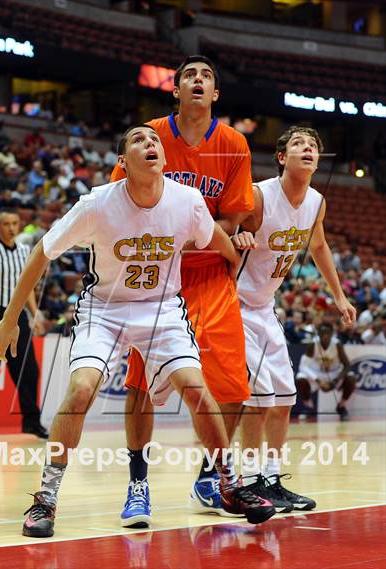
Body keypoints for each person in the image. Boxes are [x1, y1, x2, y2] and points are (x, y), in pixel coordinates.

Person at [0, 125, 275, 538]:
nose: (150, 143)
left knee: (196, 389)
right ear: (123, 163)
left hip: (162, 309)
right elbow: (42, 251)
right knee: (82, 389)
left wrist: (232, 268)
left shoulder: (186, 201)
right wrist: (10, 317)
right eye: (139, 140)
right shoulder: (98, 204)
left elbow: (216, 238)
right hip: (105, 308)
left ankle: (228, 485)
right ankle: (46, 498)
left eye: (154, 140)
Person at [110, 55, 254, 526]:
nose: (197, 80)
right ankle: (138, 485)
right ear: (175, 90)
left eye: (206, 76)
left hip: (210, 275)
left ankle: (211, 475)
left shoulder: (233, 144)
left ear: (215, 94)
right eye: (188, 75)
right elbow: (119, 199)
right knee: (141, 386)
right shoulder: (150, 135)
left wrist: (204, 235)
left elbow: (233, 217)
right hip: (158, 277)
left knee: (233, 385)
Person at [232, 126, 356, 512]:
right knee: (258, 399)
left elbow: (317, 245)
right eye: (299, 144)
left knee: (284, 395)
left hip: (265, 306)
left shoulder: (316, 202)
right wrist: (236, 236)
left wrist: (338, 295)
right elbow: (221, 229)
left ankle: (271, 478)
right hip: (233, 303)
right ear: (282, 157)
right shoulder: (258, 195)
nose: (309, 149)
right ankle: (249, 480)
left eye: (314, 145)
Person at [0, 210, 47, 442]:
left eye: (14, 223)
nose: (11, 228)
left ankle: (31, 422)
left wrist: (35, 315)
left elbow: (27, 288)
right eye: (6, 224)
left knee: (28, 371)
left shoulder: (25, 251)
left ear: (19, 224)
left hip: (18, 317)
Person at [296, 322, 357, 420]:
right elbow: (303, 366)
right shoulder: (313, 344)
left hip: (334, 374)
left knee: (351, 377)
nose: (325, 336)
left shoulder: (337, 345)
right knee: (300, 378)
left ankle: (341, 406)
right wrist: (318, 381)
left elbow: (347, 365)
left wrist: (336, 381)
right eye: (322, 334)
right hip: (317, 374)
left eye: (327, 333)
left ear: (332, 334)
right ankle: (308, 407)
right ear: (318, 334)